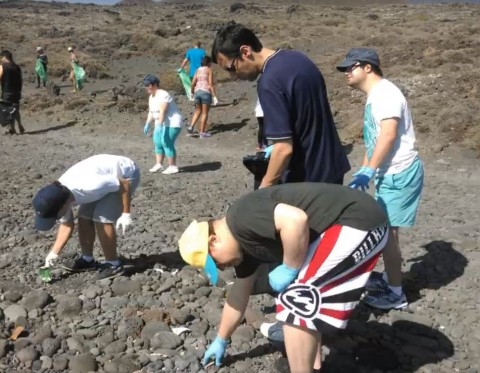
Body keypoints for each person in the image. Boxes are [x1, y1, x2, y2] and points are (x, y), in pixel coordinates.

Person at [178, 183, 388, 373]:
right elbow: (238, 294)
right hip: (345, 225)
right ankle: (312, 366)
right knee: (302, 298)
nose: (222, 267)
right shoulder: (243, 247)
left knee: (297, 300)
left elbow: (296, 220)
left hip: (358, 221)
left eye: (216, 262)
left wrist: (289, 267)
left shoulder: (241, 216)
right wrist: (221, 339)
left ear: (213, 241)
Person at [337, 47, 424, 310]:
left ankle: (396, 293)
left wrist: (370, 170)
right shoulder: (376, 96)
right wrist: (363, 172)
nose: (346, 74)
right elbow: (374, 141)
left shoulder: (386, 93)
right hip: (389, 173)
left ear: (367, 68)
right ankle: (390, 276)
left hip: (400, 173)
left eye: (350, 68)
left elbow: (388, 135)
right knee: (386, 231)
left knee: (386, 234)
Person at [212, 23, 350, 187]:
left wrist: (264, 189)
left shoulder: (269, 82)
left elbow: (283, 148)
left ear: (245, 51)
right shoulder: (299, 58)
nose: (233, 76)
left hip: (307, 181)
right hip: (331, 168)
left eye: (231, 67)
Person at [32, 154, 140, 280]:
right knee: (84, 216)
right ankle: (87, 260)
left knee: (101, 217)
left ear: (64, 204)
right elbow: (67, 225)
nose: (57, 218)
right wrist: (53, 253)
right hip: (104, 176)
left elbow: (124, 184)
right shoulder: (58, 196)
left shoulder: (89, 186)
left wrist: (126, 213)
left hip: (126, 174)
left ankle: (113, 264)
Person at [143, 74, 183, 174]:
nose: (147, 87)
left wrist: (159, 125)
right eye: (146, 85)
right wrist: (148, 123)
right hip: (160, 122)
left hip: (172, 122)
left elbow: (162, 111)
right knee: (157, 142)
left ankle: (172, 166)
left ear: (155, 85)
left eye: (149, 85)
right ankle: (159, 164)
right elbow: (151, 112)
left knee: (167, 142)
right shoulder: (151, 97)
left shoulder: (163, 94)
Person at [188, 56, 218, 138]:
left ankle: (191, 126)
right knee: (204, 113)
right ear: (208, 63)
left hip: (197, 92)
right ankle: (202, 132)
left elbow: (193, 83)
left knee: (198, 111)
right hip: (205, 92)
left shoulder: (197, 70)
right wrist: (214, 96)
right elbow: (211, 84)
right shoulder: (209, 70)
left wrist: (191, 93)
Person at [0, 50, 24, 135]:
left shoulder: (2, 66)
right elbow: (21, 80)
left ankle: (12, 128)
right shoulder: (17, 67)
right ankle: (20, 125)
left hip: (7, 92)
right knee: (15, 109)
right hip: (17, 92)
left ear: (4, 57)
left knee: (8, 110)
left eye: (1, 57)